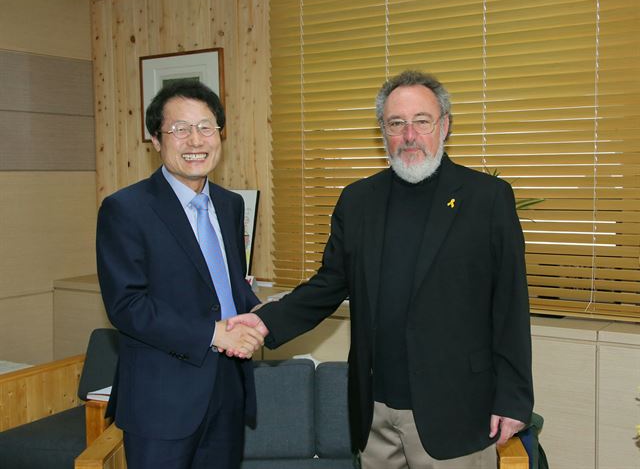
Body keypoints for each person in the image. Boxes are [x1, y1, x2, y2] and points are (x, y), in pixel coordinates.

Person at [231, 70, 534, 468]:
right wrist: (265, 322)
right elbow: (330, 283)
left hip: (455, 410)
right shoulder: (358, 201)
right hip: (373, 412)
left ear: (444, 126)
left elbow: (510, 303)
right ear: (383, 132)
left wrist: (513, 398)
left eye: (421, 121)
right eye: (396, 124)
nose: (409, 135)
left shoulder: (487, 198)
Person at [96, 80, 264, 469]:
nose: (195, 140)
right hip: (162, 400)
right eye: (179, 129)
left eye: (206, 127)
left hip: (227, 388)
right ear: (156, 140)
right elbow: (127, 306)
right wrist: (213, 332)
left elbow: (228, 284)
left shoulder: (230, 204)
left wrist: (259, 313)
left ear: (220, 134)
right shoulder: (126, 209)